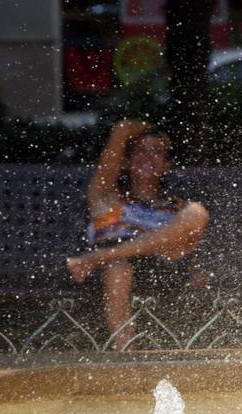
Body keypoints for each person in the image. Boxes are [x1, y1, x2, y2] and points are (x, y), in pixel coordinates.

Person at [66, 120, 209, 350]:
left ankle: (101, 255)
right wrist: (149, 127)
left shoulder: (176, 206)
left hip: (165, 272)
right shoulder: (106, 199)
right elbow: (122, 129)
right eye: (141, 150)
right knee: (117, 266)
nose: (148, 157)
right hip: (110, 275)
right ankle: (127, 355)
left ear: (166, 166)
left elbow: (189, 249)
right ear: (126, 161)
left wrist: (196, 271)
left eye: (157, 152)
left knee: (197, 212)